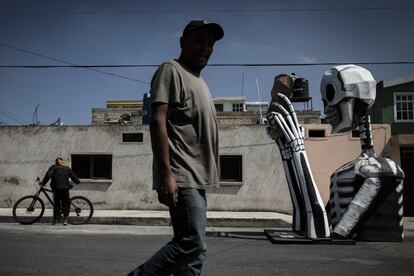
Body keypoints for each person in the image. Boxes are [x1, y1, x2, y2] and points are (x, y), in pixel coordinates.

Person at [128, 20, 223, 276]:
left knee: (194, 257)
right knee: (191, 244)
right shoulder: (172, 70)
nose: (205, 47)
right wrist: (167, 175)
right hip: (182, 174)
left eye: (210, 43)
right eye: (198, 41)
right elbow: (158, 121)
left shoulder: (199, 80)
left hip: (198, 177)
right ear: (183, 43)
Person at [40, 158, 80, 225]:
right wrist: (77, 181)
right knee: (66, 205)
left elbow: (48, 175)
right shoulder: (67, 168)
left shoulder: (53, 167)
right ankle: (65, 220)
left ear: (56, 162)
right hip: (65, 189)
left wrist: (43, 183)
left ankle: (55, 220)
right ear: (62, 162)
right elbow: (74, 177)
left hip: (56, 189)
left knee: (56, 204)